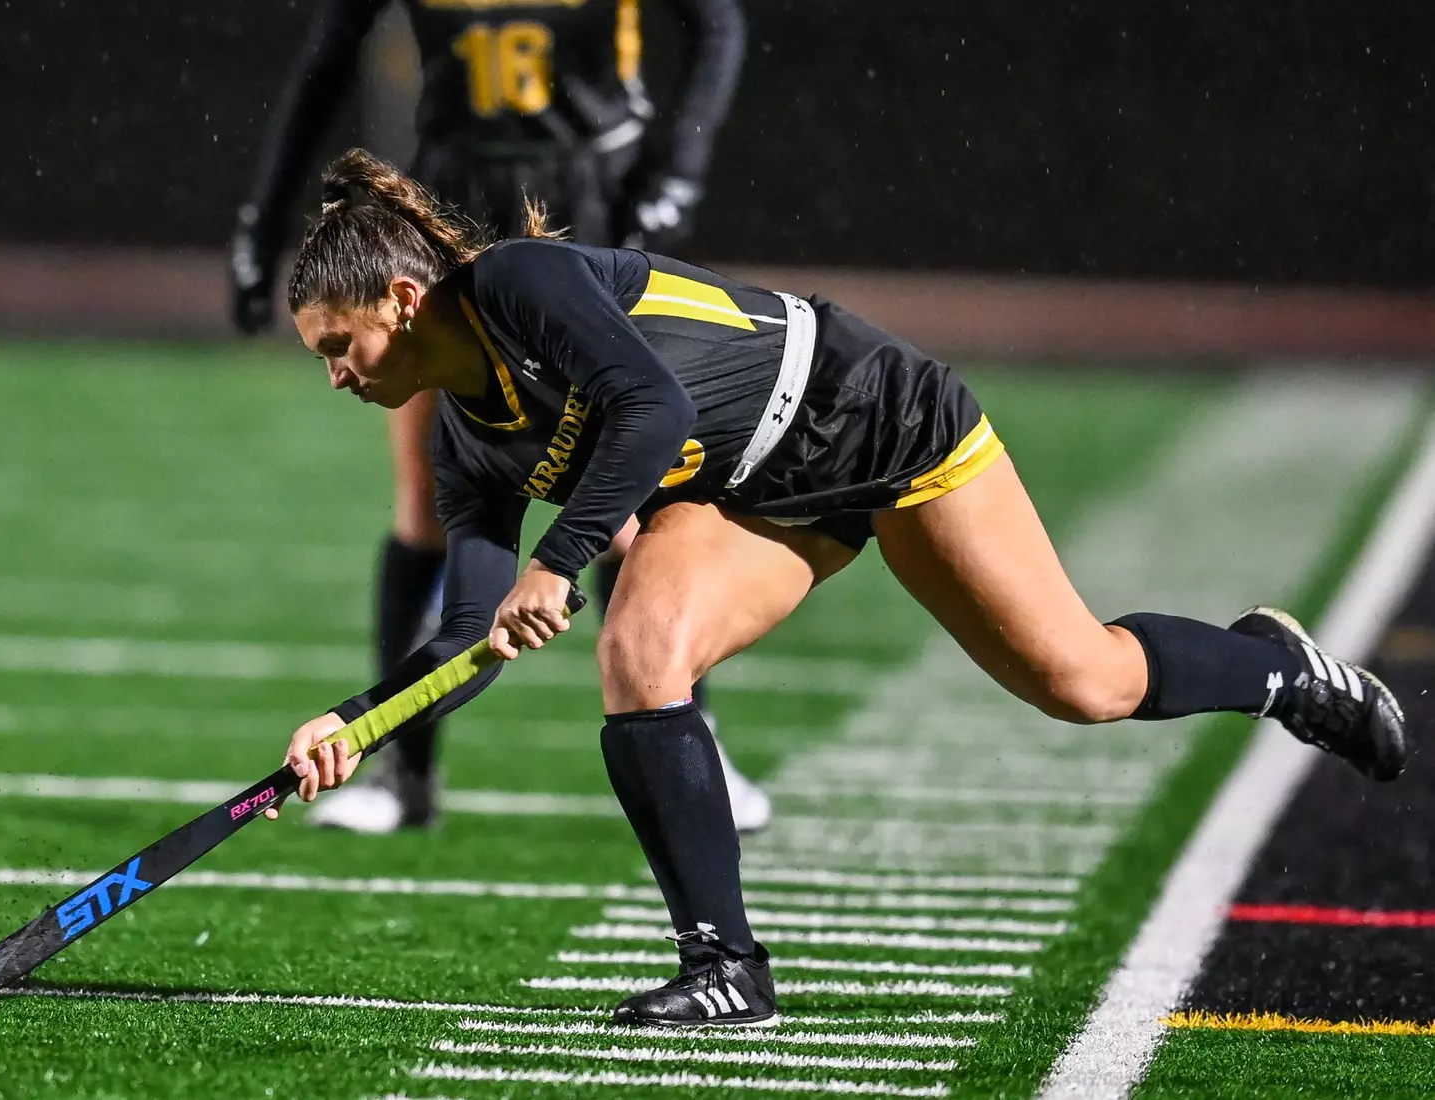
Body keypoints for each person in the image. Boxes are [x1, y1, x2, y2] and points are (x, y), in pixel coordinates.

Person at [264, 148, 1408, 1028]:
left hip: (870, 414)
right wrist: (363, 724)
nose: (333, 374)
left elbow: (650, 405)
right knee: (641, 651)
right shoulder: (464, 442)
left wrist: (558, 558)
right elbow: (469, 631)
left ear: (405, 301)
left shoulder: (516, 283)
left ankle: (1274, 666)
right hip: (758, 495)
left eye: (340, 342)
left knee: (1080, 678)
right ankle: (724, 967)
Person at [230, 0, 758, 835]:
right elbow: (329, 55)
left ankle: (699, 739)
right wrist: (263, 217)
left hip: (592, 182)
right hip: (451, 191)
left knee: (633, 492)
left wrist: (682, 164)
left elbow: (718, 21)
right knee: (427, 496)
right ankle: (404, 771)